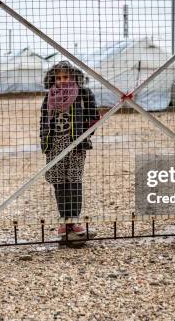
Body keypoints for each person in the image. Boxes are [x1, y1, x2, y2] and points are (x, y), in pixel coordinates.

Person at [40, 61, 99, 237]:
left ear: (74, 77)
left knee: (73, 181)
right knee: (59, 182)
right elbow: (43, 120)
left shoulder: (83, 94)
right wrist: (44, 140)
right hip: (54, 145)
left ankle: (74, 220)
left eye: (66, 77)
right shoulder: (49, 96)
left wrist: (84, 135)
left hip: (75, 145)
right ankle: (64, 221)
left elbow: (94, 117)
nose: (62, 81)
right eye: (58, 78)